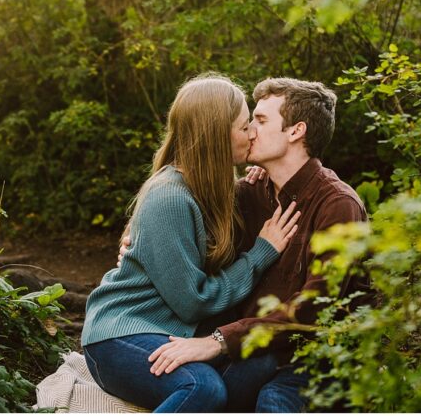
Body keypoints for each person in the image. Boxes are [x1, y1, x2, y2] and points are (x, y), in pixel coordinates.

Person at [122, 78, 369, 412]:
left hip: (313, 362)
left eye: (261, 121)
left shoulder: (337, 206)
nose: (250, 130)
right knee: (205, 391)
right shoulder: (249, 193)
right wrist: (135, 242)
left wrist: (218, 341)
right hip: (255, 356)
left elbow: (315, 310)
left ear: (295, 131)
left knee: (271, 403)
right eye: (250, 121)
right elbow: (170, 214)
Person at [80, 74, 302, 412]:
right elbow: (193, 302)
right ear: (216, 135)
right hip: (121, 334)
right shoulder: (169, 198)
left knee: (259, 363)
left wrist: (258, 175)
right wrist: (262, 253)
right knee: (203, 386)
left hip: (172, 329)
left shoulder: (215, 187)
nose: (253, 132)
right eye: (244, 127)